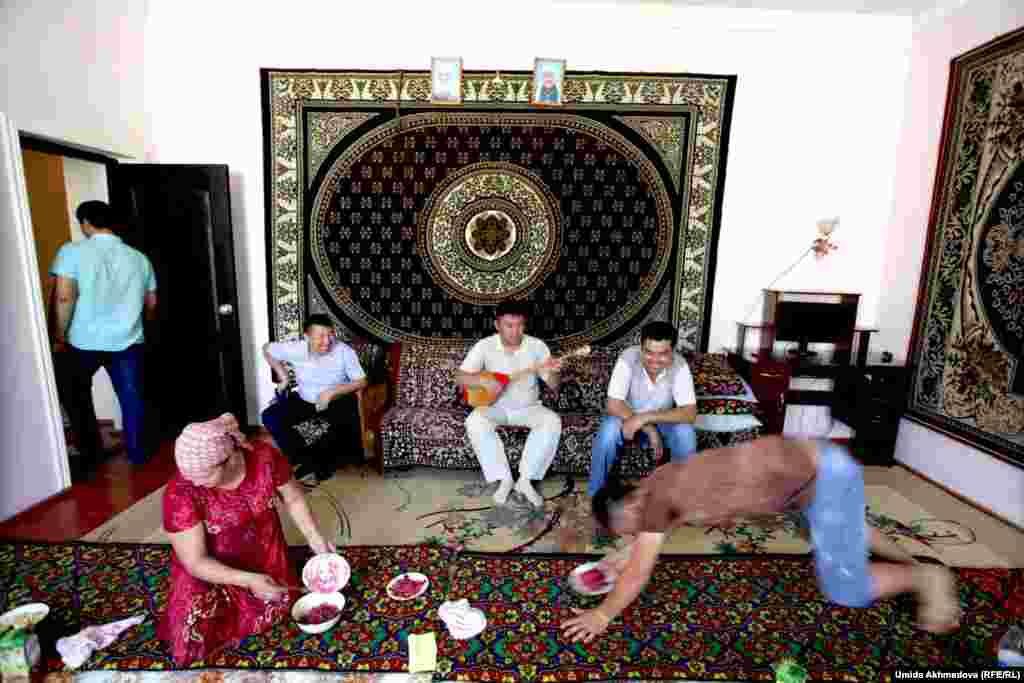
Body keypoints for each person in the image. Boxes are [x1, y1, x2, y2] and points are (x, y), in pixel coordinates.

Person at [561, 437, 961, 644]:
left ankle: (927, 579)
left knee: (845, 585)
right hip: (814, 466)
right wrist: (621, 556)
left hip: (819, 477)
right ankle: (911, 563)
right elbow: (660, 530)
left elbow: (640, 573)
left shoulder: (656, 501)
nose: (634, 536)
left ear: (630, 506)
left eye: (628, 530)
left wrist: (602, 615)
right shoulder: (658, 483)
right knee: (849, 530)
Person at [159, 413, 335, 665]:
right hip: (213, 566)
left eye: (203, 475)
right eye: (187, 474)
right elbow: (195, 561)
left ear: (228, 459)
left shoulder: (263, 457)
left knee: (280, 600)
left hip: (264, 548)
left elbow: (293, 497)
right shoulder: (181, 492)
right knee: (193, 638)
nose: (193, 481)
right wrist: (248, 580)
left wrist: (314, 537)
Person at [49, 200, 157, 470]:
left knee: (76, 396)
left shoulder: (72, 252)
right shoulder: (139, 258)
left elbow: (64, 297)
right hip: (129, 340)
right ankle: (137, 455)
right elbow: (151, 303)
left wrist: (59, 336)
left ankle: (91, 454)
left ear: (85, 222)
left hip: (83, 341)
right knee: (132, 398)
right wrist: (138, 326)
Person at [456, 300, 563, 507]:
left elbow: (555, 386)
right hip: (493, 407)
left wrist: (554, 372)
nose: (515, 332)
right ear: (497, 325)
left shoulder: (537, 346)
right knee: (475, 421)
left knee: (552, 421)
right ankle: (504, 479)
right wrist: (483, 380)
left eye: (520, 325)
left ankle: (524, 481)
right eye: (509, 325)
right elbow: (460, 377)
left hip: (529, 408)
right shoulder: (485, 346)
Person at [587, 321, 697, 498]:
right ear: (641, 347)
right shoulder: (628, 358)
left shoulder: (680, 365)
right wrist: (648, 428)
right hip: (625, 417)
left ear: (674, 350)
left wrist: (644, 418)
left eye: (662, 354)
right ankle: (596, 494)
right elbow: (613, 404)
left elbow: (690, 413)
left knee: (686, 432)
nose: (654, 360)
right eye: (648, 352)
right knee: (608, 431)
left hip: (660, 421)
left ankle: (678, 497)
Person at [261, 314, 367, 483]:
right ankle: (301, 458)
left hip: (337, 401)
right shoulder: (296, 348)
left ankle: (319, 465)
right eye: (321, 336)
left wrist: (332, 392)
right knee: (270, 416)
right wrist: (284, 377)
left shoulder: (343, 351)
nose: (327, 341)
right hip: (305, 400)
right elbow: (267, 349)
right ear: (307, 337)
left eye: (330, 334)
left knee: (326, 428)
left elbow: (361, 381)